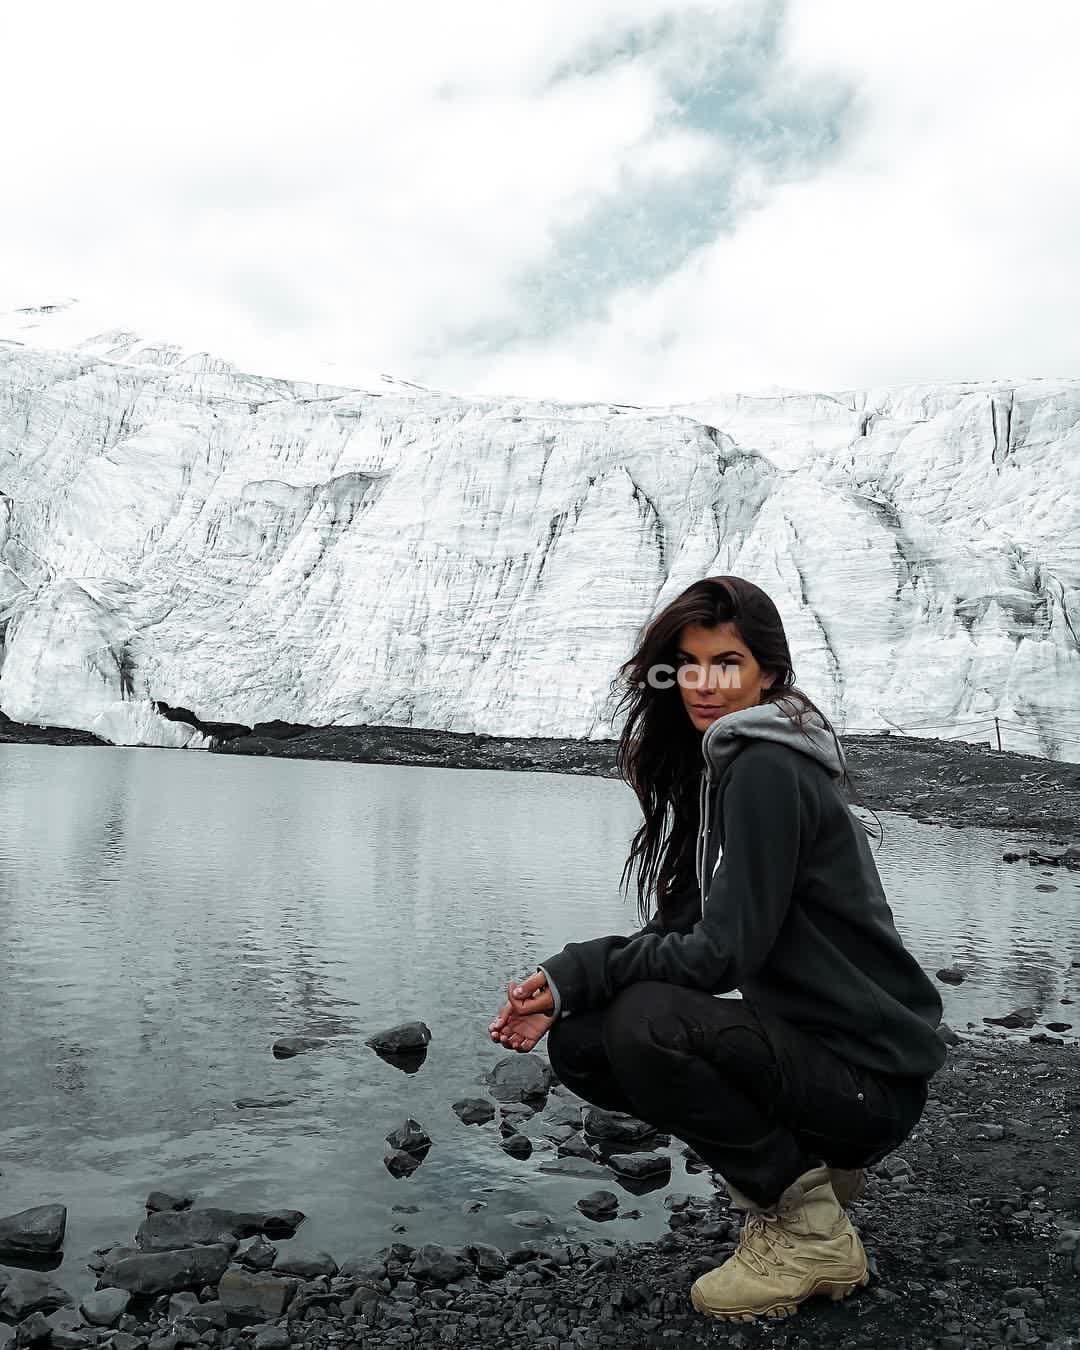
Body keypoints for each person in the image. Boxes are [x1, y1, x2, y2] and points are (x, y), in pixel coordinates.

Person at [488, 575, 946, 1323]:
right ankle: (808, 1175)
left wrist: (592, 968)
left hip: (870, 1080)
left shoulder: (766, 768)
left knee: (646, 1023)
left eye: (727, 663)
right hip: (834, 1064)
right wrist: (569, 987)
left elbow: (719, 956)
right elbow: (685, 926)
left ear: (769, 673)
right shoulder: (732, 765)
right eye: (687, 665)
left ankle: (808, 1234)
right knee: (584, 1040)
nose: (703, 683)